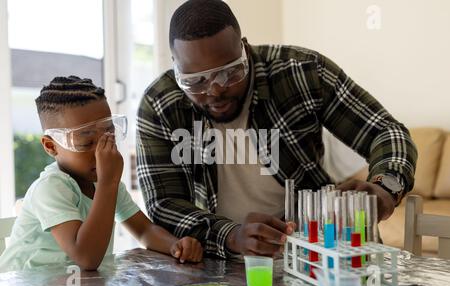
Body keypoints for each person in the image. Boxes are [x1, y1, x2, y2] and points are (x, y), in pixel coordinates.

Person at [136, 0, 417, 259]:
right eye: (196, 82)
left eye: (230, 72)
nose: (216, 90)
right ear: (176, 68)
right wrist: (230, 236)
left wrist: (385, 187)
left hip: (321, 249)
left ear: (244, 48)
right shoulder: (160, 105)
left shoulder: (302, 72)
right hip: (218, 259)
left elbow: (387, 131)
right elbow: (164, 205)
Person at [0, 76, 203, 273]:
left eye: (109, 136)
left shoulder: (104, 184)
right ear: (51, 146)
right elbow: (87, 258)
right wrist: (108, 182)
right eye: (86, 143)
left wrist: (175, 245)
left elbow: (144, 230)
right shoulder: (52, 188)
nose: (101, 152)